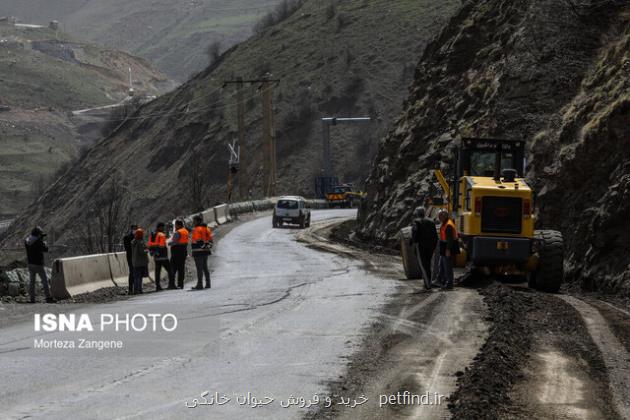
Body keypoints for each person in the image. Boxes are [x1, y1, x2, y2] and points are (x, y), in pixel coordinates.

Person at [410, 207, 438, 291]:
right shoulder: (431, 221)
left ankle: (428, 285)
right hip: (431, 246)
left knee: (423, 265)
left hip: (421, 246)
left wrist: (413, 243)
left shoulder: (417, 222)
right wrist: (434, 246)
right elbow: (435, 236)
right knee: (428, 264)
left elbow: (415, 234)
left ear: (417, 213)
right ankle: (427, 282)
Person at [24, 226, 55, 303]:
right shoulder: (39, 242)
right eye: (40, 235)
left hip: (30, 263)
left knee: (32, 282)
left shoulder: (27, 241)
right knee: (45, 281)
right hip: (39, 264)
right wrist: (44, 244)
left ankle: (32, 299)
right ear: (38, 234)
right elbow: (46, 249)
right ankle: (48, 297)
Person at [148, 222, 174, 291]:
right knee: (170, 270)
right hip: (163, 257)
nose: (163, 228)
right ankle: (172, 284)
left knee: (157, 272)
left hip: (157, 257)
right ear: (160, 227)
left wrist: (153, 252)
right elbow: (162, 245)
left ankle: (158, 286)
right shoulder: (161, 234)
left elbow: (150, 245)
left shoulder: (153, 235)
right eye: (163, 227)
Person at [437, 209, 459, 290]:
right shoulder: (445, 223)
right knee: (441, 265)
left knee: (447, 267)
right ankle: (440, 281)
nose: (438, 218)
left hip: (447, 248)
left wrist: (448, 250)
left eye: (440, 216)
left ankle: (449, 284)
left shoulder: (448, 225)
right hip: (444, 247)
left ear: (444, 216)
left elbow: (450, 239)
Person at [191, 215, 213, 290]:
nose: (193, 222)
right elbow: (210, 241)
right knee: (205, 268)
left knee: (199, 269)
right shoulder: (207, 229)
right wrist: (207, 248)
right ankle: (208, 283)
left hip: (198, 252)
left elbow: (198, 241)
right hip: (205, 252)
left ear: (197, 221)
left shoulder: (197, 229)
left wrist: (203, 247)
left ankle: (200, 284)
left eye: (194, 221)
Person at [169, 220, 189, 289]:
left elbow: (174, 242)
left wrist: (169, 243)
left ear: (179, 225)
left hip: (176, 252)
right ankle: (180, 284)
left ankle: (172, 284)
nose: (175, 226)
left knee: (173, 268)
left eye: (175, 225)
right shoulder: (185, 231)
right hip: (183, 251)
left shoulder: (178, 232)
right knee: (181, 269)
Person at [131, 228, 149, 294]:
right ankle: (139, 290)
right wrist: (147, 250)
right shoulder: (140, 242)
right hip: (141, 262)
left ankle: (136, 290)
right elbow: (142, 251)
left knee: (136, 277)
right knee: (139, 277)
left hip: (135, 262)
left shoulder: (133, 241)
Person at [123, 224, 138, 295]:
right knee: (132, 272)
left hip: (137, 257)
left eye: (136, 229)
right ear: (131, 229)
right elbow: (127, 248)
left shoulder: (138, 237)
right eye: (134, 229)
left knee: (137, 272)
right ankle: (130, 289)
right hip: (130, 257)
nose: (135, 230)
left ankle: (136, 288)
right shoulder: (127, 237)